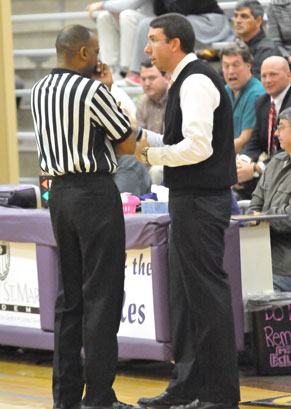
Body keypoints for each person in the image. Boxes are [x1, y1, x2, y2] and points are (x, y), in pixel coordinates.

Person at [135, 13, 240, 409]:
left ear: (174, 44)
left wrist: (147, 152)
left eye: (153, 40)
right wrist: (142, 139)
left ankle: (219, 394)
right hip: (188, 199)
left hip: (200, 199)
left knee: (206, 297)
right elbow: (184, 140)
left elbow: (199, 148)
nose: (147, 49)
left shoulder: (196, 79)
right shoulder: (186, 79)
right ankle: (187, 384)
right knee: (184, 296)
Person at [31, 24, 137, 409]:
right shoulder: (92, 90)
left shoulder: (39, 90)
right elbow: (126, 144)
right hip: (94, 192)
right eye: (94, 51)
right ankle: (99, 398)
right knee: (102, 297)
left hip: (57, 195)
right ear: (81, 54)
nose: (98, 58)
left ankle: (65, 398)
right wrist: (108, 91)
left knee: (69, 298)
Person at [126, 0, 234, 85]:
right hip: (187, 19)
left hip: (209, 22)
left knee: (170, 28)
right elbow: (160, 13)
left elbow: (181, 10)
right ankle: (139, 71)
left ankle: (163, 72)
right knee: (147, 24)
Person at [247, 106, 291, 292]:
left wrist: (263, 218)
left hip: (284, 265)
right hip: (261, 257)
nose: (276, 133)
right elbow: (254, 203)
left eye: (281, 127)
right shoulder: (275, 162)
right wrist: (255, 216)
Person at [235, 56, 291, 200]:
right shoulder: (262, 101)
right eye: (264, 76)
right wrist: (243, 162)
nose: (267, 80)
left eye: (273, 75)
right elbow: (255, 140)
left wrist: (256, 168)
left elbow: (287, 149)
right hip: (271, 169)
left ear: (289, 75)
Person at [85, 0, 154, 79]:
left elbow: (131, 4)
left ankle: (130, 70)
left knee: (127, 15)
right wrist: (115, 8)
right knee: (104, 17)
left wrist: (103, 4)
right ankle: (111, 69)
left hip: (151, 18)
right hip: (130, 17)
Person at [220, 41, 265, 153]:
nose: (231, 71)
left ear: (248, 65)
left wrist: (214, 153)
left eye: (236, 65)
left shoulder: (257, 94)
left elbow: (244, 141)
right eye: (226, 66)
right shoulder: (223, 91)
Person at [233, 0, 282, 79]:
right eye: (235, 16)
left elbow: (263, 86)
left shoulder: (269, 51)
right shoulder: (233, 46)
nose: (238, 21)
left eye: (244, 16)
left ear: (258, 21)